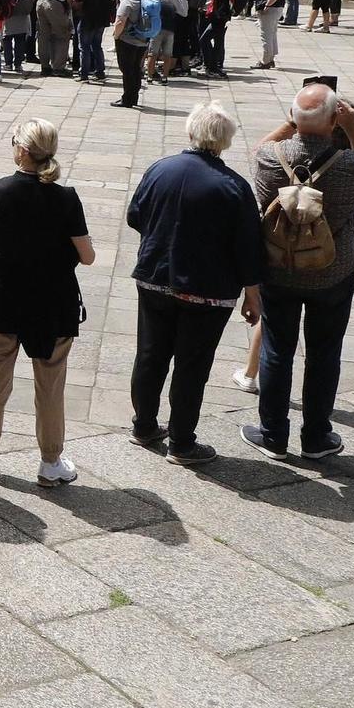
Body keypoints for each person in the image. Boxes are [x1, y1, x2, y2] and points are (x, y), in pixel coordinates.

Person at [242, 84, 354, 459]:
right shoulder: (350, 164)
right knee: (324, 352)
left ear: (294, 118)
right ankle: (317, 436)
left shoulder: (272, 157)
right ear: (334, 119)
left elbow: (257, 148)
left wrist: (290, 123)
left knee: (277, 350)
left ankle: (273, 434)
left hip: (279, 269)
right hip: (332, 270)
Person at [127, 102, 267, 465]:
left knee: (150, 355)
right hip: (206, 291)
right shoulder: (234, 187)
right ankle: (182, 441)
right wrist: (252, 294)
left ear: (190, 132)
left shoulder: (160, 169)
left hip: (155, 278)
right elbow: (247, 247)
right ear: (225, 142)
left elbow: (135, 216)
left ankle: (143, 426)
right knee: (192, 366)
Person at [0, 119, 92, 487]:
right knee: (50, 383)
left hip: (6, 297)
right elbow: (86, 256)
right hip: (52, 302)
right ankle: (50, 461)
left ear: (21, 151)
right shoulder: (66, 197)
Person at [110, 0, 150, 108]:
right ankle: (134, 97)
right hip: (143, 39)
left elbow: (120, 21)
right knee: (136, 68)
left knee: (126, 69)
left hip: (127, 40)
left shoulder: (128, 0)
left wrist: (116, 35)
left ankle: (127, 99)